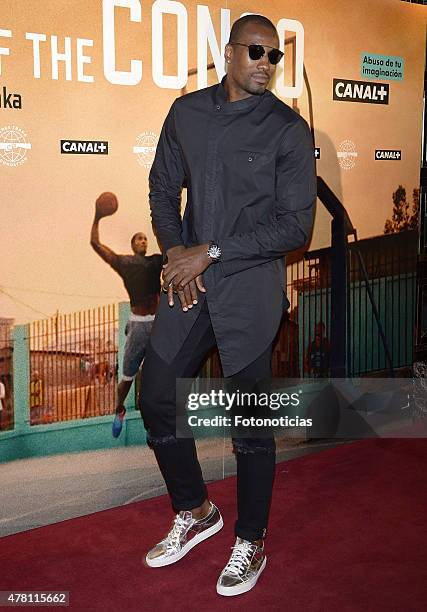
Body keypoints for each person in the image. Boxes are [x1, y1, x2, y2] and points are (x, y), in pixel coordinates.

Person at [140, 14, 316, 596]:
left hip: (248, 287)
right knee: (158, 393)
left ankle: (252, 538)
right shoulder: (186, 112)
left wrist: (210, 252)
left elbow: (296, 225)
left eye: (276, 57)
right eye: (257, 52)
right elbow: (163, 188)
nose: (267, 64)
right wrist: (176, 252)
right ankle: (194, 510)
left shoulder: (288, 130)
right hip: (190, 283)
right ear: (230, 51)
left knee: (251, 424)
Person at [90, 211, 162, 437]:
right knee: (128, 378)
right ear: (132, 245)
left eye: (145, 238)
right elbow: (95, 243)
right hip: (138, 325)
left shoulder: (156, 260)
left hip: (158, 324)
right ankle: (119, 409)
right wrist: (97, 216)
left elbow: (174, 249)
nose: (143, 240)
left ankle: (153, 425)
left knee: (156, 378)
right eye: (139, 238)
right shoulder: (124, 262)